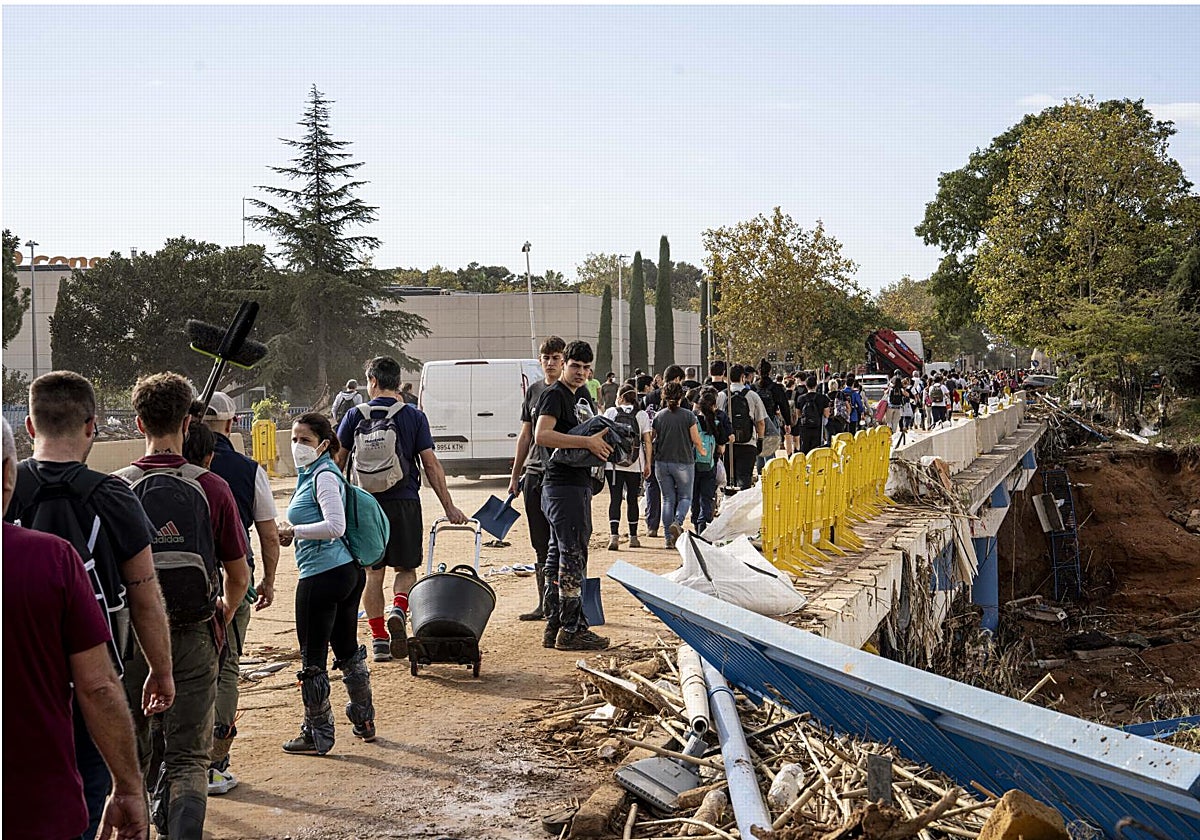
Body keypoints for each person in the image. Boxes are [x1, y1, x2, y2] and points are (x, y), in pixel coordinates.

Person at [5, 373, 173, 840]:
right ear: (92, 426)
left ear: (31, 429)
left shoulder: (9, 489)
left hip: (20, 683)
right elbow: (144, 593)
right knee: (83, 796)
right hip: (92, 680)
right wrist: (161, 669)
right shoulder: (113, 495)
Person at [114, 372, 249, 840]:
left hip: (132, 643)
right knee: (189, 758)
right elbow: (239, 575)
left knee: (134, 755)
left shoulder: (114, 488)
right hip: (195, 633)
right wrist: (223, 614)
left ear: (137, 423)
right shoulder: (212, 487)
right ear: (188, 423)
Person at [335, 356, 467, 664]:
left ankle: (379, 639)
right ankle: (399, 607)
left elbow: (338, 461)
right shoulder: (414, 416)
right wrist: (449, 506)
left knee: (372, 572)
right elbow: (431, 464)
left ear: (372, 382)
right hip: (405, 501)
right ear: (397, 382)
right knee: (406, 569)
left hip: (366, 506)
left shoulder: (355, 415)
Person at [198, 392, 280, 795]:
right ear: (232, 425)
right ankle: (215, 764)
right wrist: (267, 580)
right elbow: (268, 534)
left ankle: (170, 766)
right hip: (233, 579)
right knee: (225, 666)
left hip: (174, 584)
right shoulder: (249, 470)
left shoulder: (169, 465)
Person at [277, 413, 375, 754]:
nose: (297, 446)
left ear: (323, 444)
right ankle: (364, 718)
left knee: (313, 657)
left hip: (323, 576)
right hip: (344, 572)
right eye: (294, 439)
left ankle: (317, 732)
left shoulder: (323, 476)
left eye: (304, 440)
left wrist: (293, 531)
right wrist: (297, 536)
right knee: (346, 647)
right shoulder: (314, 474)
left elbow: (335, 525)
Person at [534, 339, 612, 651]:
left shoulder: (581, 395)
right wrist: (588, 445)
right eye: (575, 366)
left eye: (585, 367)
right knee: (572, 556)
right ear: (564, 365)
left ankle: (554, 626)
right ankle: (572, 629)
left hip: (572, 485)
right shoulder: (555, 395)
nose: (580, 372)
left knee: (559, 555)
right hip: (562, 487)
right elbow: (542, 435)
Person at [508, 336, 566, 621]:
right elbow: (525, 435)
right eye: (547, 358)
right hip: (533, 474)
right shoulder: (533, 391)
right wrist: (515, 474)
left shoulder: (570, 392)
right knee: (539, 542)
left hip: (561, 476)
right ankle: (544, 603)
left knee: (565, 541)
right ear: (540, 360)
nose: (551, 363)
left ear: (563, 361)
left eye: (556, 358)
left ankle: (565, 603)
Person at [652, 382, 706, 549]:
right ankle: (678, 521)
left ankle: (668, 538)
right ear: (681, 397)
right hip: (683, 461)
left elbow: (653, 438)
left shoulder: (659, 416)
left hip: (662, 462)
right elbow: (696, 439)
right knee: (685, 497)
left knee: (667, 499)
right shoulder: (689, 416)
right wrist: (702, 450)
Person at [603, 385, 651, 550]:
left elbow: (603, 435)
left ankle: (614, 536)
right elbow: (647, 441)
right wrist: (648, 463)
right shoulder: (641, 415)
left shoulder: (611, 412)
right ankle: (633, 537)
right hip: (635, 464)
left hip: (613, 464)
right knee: (632, 500)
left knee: (615, 499)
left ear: (621, 397)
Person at [716, 364, 766, 489]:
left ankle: (728, 502)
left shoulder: (721, 396)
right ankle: (743, 502)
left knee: (727, 478)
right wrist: (760, 440)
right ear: (743, 377)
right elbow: (760, 422)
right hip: (748, 443)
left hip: (726, 444)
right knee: (744, 477)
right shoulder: (753, 396)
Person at [690, 389, 725, 534]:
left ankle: (696, 523)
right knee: (707, 496)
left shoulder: (694, 421)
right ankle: (704, 523)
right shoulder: (717, 422)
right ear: (714, 406)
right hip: (710, 464)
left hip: (693, 463)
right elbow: (721, 447)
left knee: (694, 495)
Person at [793, 374, 831, 455]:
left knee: (804, 448)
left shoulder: (801, 398)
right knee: (816, 450)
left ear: (806, 386)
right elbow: (826, 414)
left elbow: (798, 414)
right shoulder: (822, 398)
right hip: (817, 427)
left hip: (804, 427)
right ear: (816, 385)